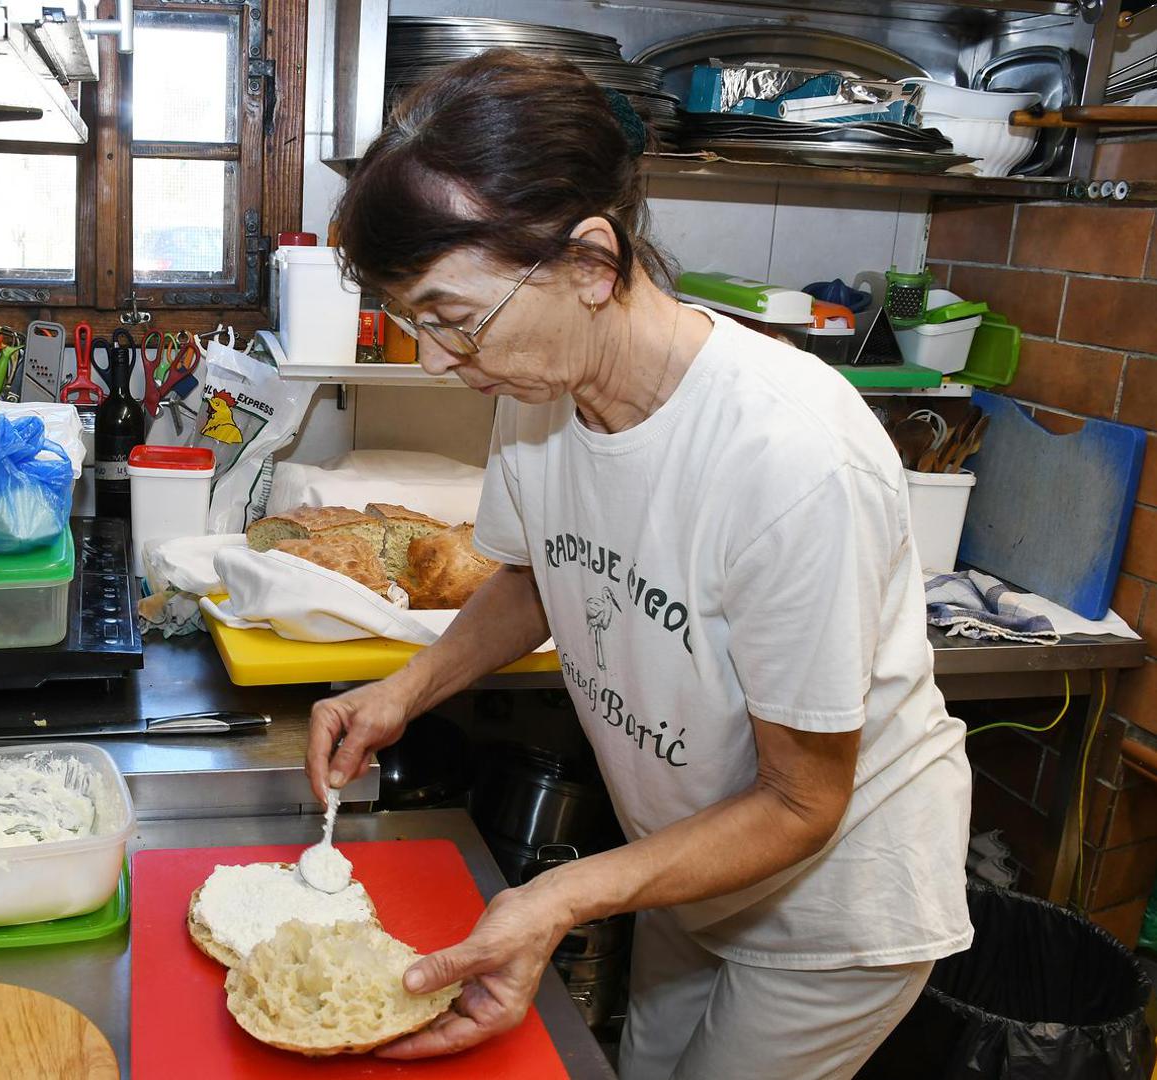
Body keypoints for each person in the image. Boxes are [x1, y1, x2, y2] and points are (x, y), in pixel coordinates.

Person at [304, 50, 973, 1080]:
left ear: (588, 263)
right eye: (413, 322)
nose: (437, 360)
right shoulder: (536, 382)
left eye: (450, 317)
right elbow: (543, 572)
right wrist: (406, 688)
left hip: (829, 904)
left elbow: (803, 803)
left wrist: (563, 893)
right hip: (686, 864)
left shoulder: (790, 455)